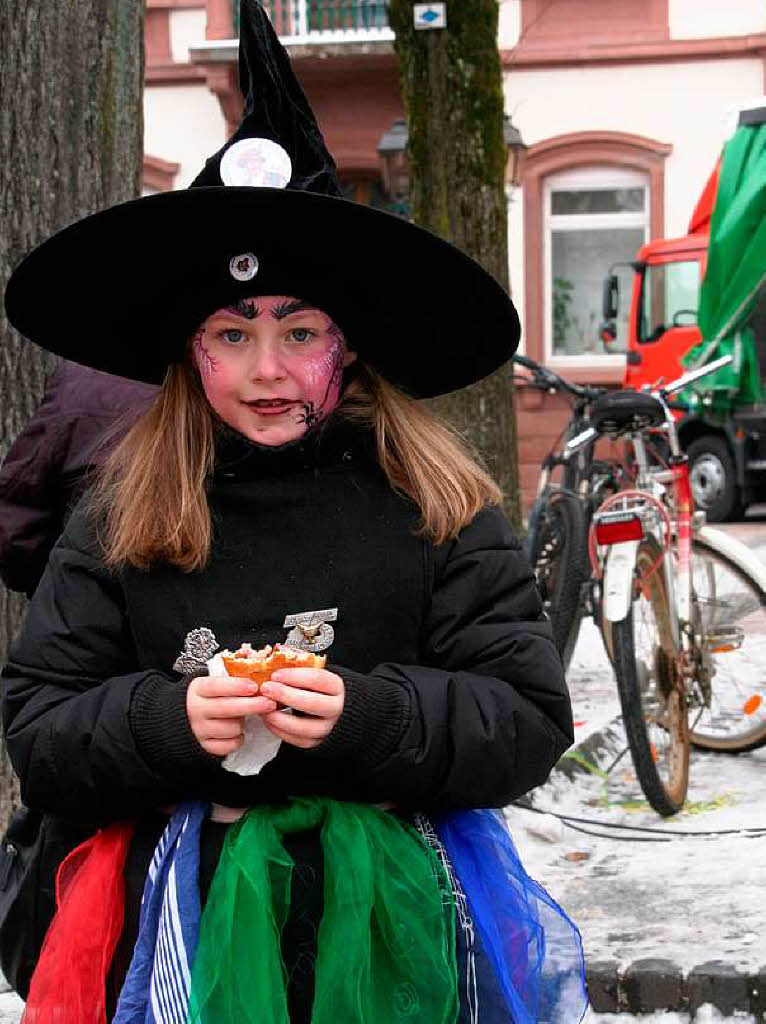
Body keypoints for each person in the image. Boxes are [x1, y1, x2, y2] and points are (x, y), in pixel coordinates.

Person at [1, 3, 585, 1021]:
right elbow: (41, 728)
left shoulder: (437, 506)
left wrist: (371, 713)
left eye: (300, 329)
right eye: (231, 334)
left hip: (393, 927)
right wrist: (165, 718)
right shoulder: (121, 514)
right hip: (172, 926)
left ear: (347, 343)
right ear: (191, 351)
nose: (266, 370)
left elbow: (525, 720)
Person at [0, 360, 157, 597]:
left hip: (85, 593)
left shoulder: (81, 377)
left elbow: (18, 520)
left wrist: (51, 590)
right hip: (190, 604)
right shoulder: (218, 376)